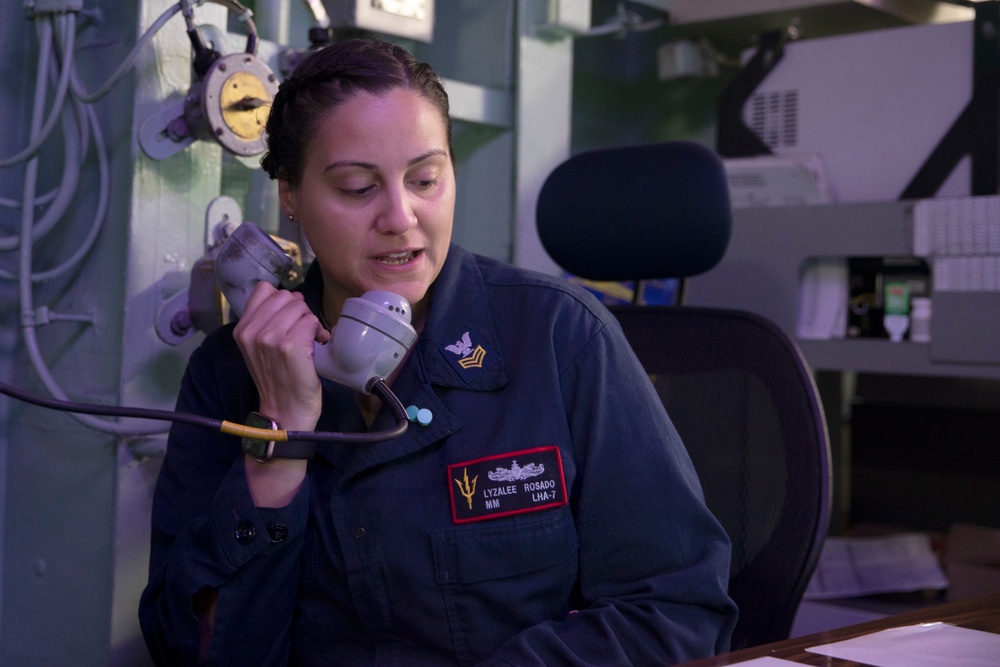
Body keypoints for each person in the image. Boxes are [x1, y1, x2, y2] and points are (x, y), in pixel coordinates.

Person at [139, 37, 737, 666]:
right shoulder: (227, 372)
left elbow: (676, 609)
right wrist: (278, 443)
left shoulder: (562, 337)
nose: (402, 216)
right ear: (290, 195)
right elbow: (191, 651)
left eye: (426, 179)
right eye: (357, 188)